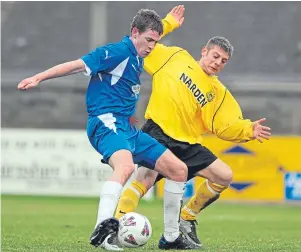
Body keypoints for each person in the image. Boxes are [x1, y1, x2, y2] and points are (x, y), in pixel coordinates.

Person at [17, 7, 198, 251]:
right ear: (134, 33)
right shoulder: (117, 52)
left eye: (156, 41)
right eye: (149, 40)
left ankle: (172, 237)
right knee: (125, 167)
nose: (153, 46)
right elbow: (75, 65)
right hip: (106, 122)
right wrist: (39, 77)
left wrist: (170, 24)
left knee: (178, 170)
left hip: (128, 128)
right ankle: (102, 230)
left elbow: (154, 31)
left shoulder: (139, 52)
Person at [114, 5, 272, 249]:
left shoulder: (218, 93)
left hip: (188, 143)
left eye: (223, 61)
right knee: (142, 180)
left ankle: (188, 216)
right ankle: (116, 227)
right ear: (204, 51)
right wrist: (167, 23)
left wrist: (248, 130)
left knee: (224, 176)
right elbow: (143, 45)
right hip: (158, 132)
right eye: (215, 56)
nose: (218, 62)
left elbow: (225, 125)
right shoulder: (175, 56)